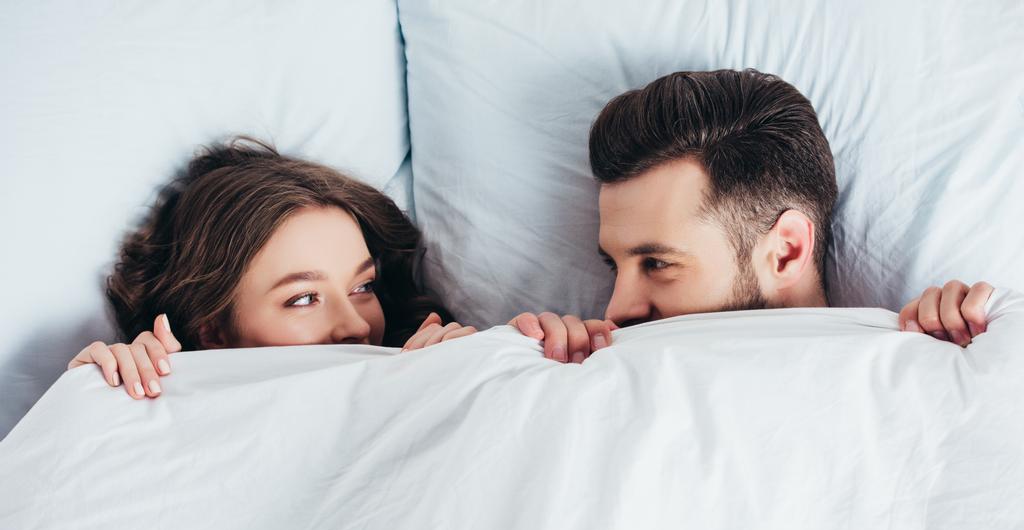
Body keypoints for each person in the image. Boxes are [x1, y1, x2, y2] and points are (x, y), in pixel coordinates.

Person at [508, 69, 994, 363]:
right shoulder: (578, 367)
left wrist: (974, 342)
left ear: (785, 252)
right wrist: (456, 371)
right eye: (616, 267)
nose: (615, 310)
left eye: (656, 262)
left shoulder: (945, 355)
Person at [68, 138, 474, 399]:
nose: (355, 326)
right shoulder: (152, 408)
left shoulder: (438, 368)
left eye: (362, 287)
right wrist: (101, 397)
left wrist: (509, 366)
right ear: (214, 331)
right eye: (303, 298)